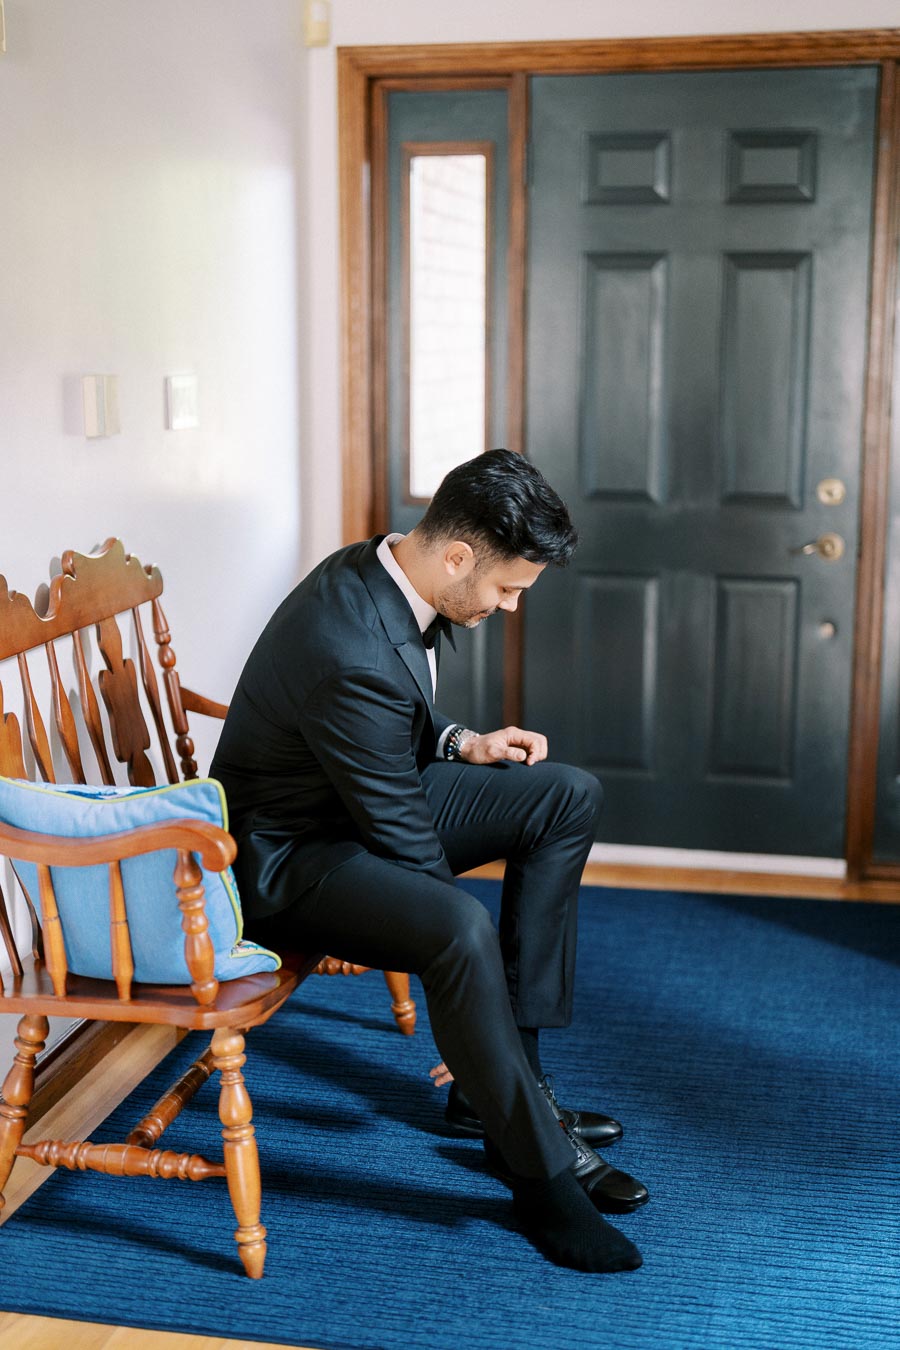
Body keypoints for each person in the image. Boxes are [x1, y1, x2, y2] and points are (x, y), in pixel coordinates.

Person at [210, 448, 647, 1273]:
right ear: (456, 557)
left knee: (565, 795)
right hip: (287, 858)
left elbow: (397, 718)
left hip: (358, 798)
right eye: (507, 588)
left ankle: (519, 1087)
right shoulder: (347, 646)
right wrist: (465, 1006)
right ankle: (539, 1176)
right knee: (456, 929)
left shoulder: (380, 565)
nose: (511, 606)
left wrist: (462, 741)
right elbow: (406, 841)